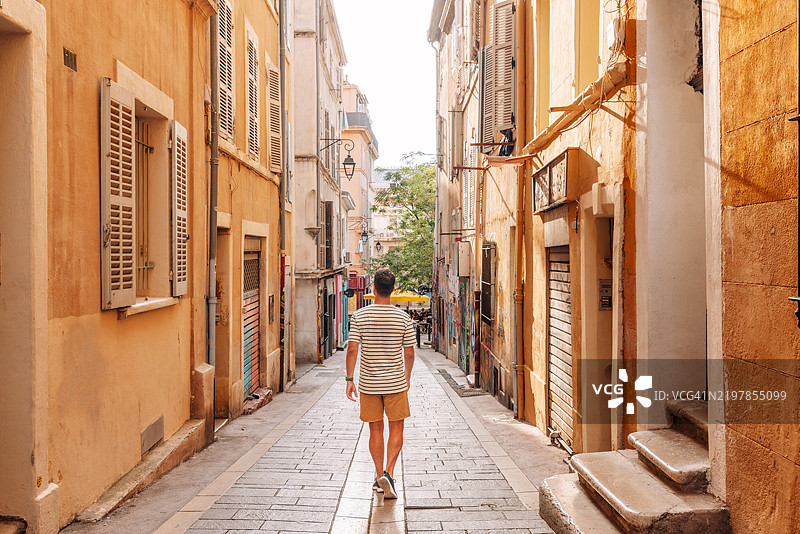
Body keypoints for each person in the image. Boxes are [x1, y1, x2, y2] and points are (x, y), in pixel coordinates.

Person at [345, 268, 415, 499]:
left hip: (368, 384)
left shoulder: (360, 316)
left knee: (375, 429)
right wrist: (406, 378)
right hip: (396, 383)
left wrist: (349, 379)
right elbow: (410, 354)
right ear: (393, 289)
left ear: (373, 288)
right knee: (397, 427)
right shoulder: (404, 318)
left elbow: (353, 348)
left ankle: (378, 477)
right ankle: (389, 473)